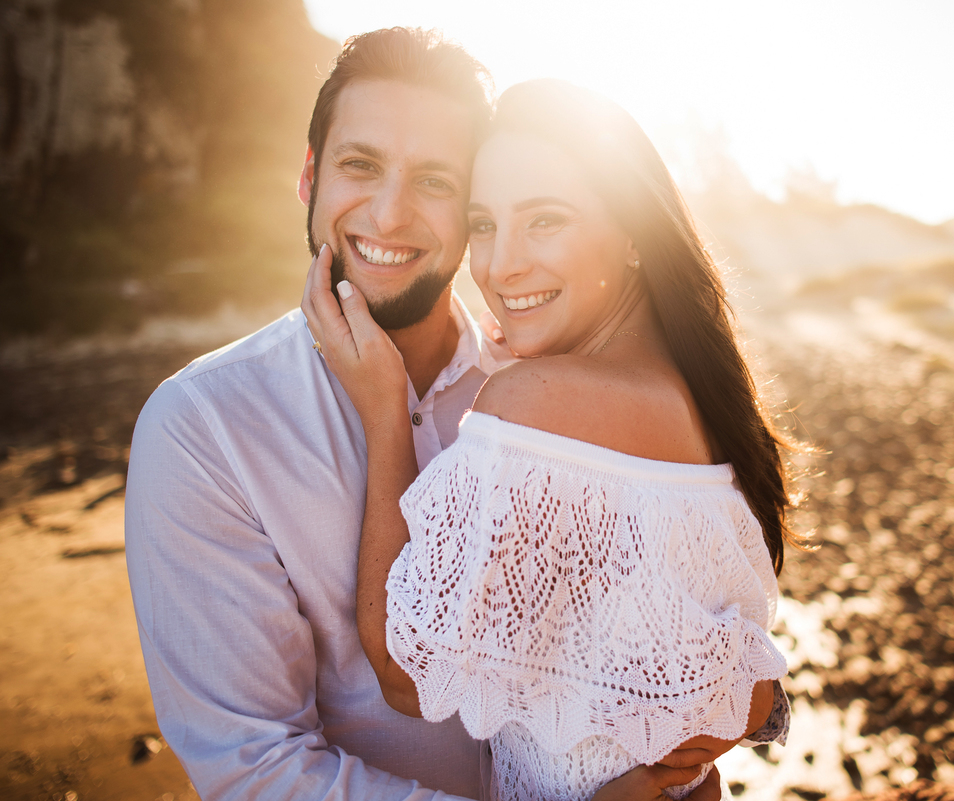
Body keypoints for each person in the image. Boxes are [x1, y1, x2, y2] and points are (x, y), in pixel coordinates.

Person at [125, 28, 766, 800]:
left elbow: (660, 618)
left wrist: (716, 724)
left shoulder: (535, 389)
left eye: (435, 182)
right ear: (308, 178)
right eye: (360, 166)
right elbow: (253, 768)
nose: (390, 215)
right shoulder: (205, 427)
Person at [303, 78, 794, 801]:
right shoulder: (705, 398)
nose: (500, 266)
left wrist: (385, 408)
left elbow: (408, 672)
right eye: (483, 224)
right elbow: (726, 670)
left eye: (545, 221)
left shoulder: (533, 404)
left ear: (633, 235)